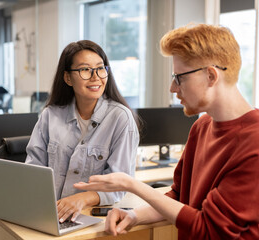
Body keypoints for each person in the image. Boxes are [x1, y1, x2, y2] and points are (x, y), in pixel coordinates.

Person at [74, 23, 259, 239]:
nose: (172, 87)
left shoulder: (254, 143)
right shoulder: (201, 127)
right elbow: (180, 198)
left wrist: (132, 185)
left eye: (179, 77)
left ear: (211, 76)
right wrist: (135, 216)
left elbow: (208, 229)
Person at [25, 40, 140, 223]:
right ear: (68, 78)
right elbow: (33, 171)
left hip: (89, 217)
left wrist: (81, 198)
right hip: (50, 215)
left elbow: (120, 183)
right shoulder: (50, 115)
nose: (95, 77)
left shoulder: (120, 118)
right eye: (85, 70)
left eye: (100, 68)